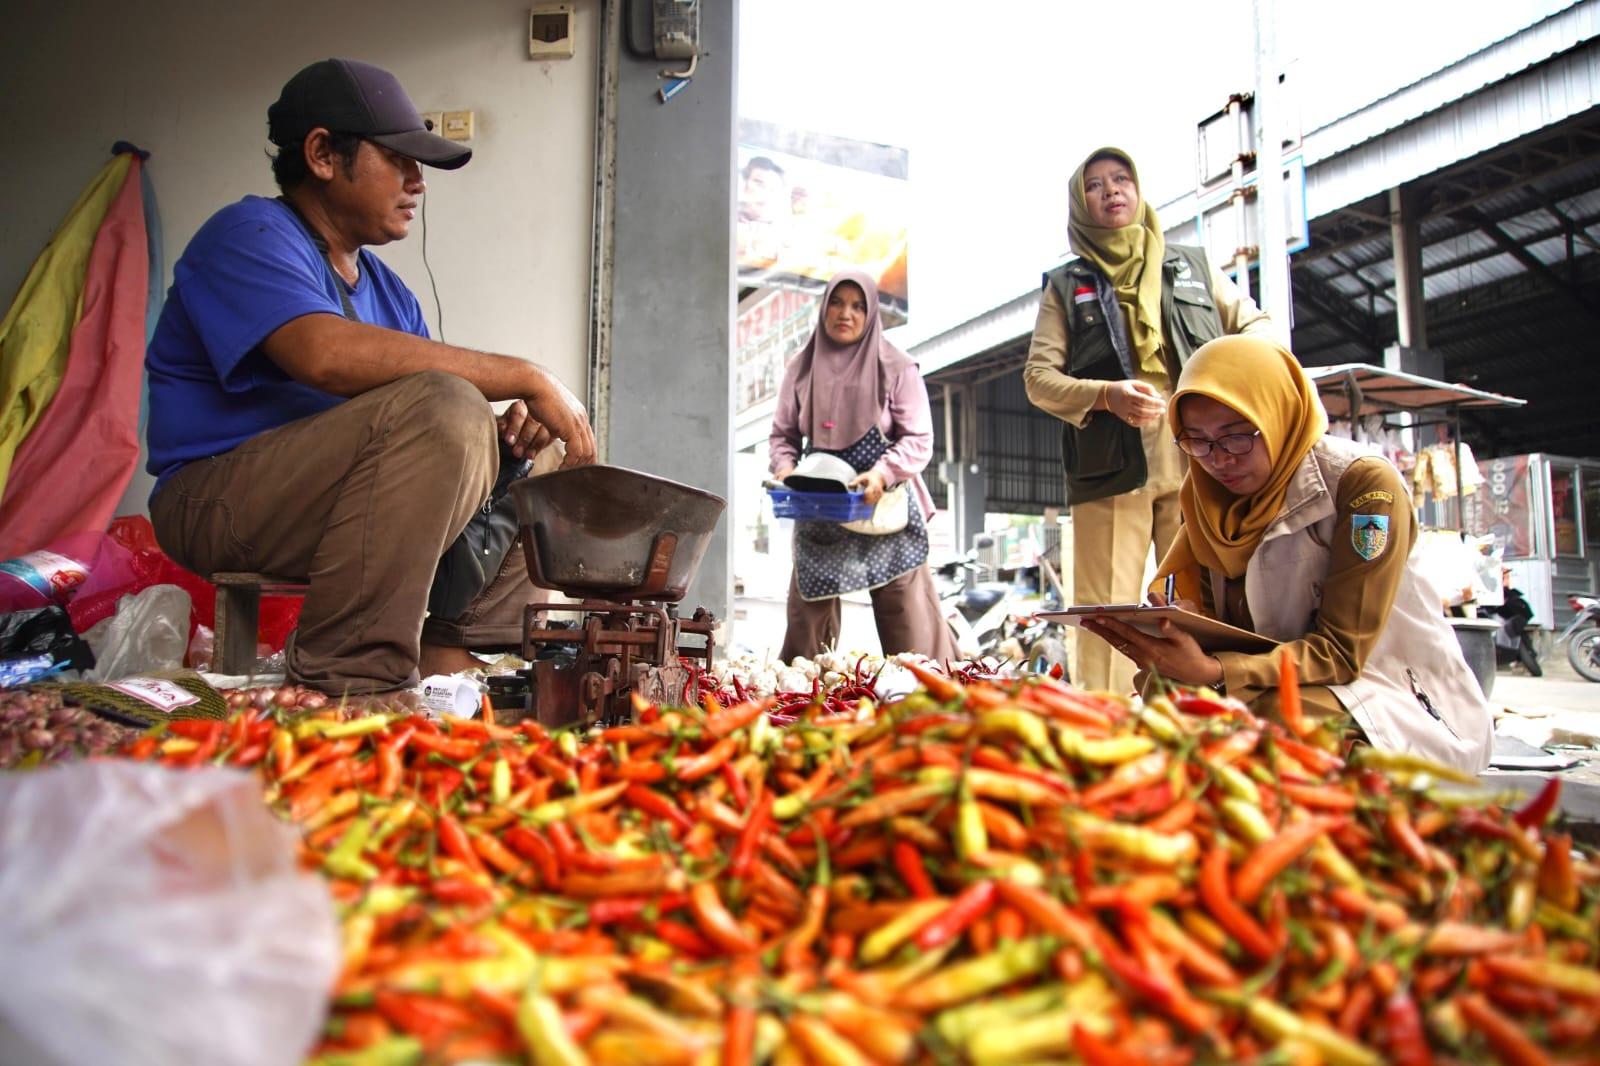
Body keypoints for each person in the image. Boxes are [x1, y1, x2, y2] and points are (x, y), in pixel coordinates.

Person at [144, 58, 595, 698]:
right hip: (213, 500)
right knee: (449, 405)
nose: (419, 184)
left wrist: (511, 438)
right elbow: (322, 354)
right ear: (323, 154)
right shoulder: (248, 234)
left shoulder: (389, 290)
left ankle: (456, 661)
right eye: (400, 161)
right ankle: (353, 680)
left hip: (331, 496)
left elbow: (436, 438)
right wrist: (525, 374)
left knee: (534, 446)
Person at [1082, 335, 1494, 773]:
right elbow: (1224, 625)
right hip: (1279, 680)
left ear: (1277, 413)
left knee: (1274, 723)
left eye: (1236, 436)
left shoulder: (1361, 486)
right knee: (1164, 692)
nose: (1218, 459)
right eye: (1196, 441)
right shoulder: (1205, 497)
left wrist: (1216, 670)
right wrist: (1177, 634)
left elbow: (1340, 653)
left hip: (1383, 692)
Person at [1024, 147, 1279, 695]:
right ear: (1081, 203)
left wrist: (1226, 379)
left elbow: (1256, 324)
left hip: (1200, 454)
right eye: (1095, 185)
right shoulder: (1066, 286)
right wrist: (1106, 395)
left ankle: (1203, 718)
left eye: (1121, 179)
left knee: (1202, 600)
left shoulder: (1192, 267)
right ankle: (1100, 727)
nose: (1111, 191)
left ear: (1139, 190)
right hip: (1109, 464)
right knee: (1105, 609)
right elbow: (1038, 378)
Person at [769, 270, 955, 662]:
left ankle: (930, 706)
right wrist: (785, 469)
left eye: (858, 306)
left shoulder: (897, 368)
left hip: (881, 506)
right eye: (837, 302)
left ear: (871, 314)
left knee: (909, 624)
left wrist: (882, 473)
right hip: (821, 504)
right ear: (823, 308)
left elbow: (919, 439)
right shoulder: (800, 369)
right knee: (807, 619)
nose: (845, 314)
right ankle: (803, 708)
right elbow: (783, 435)